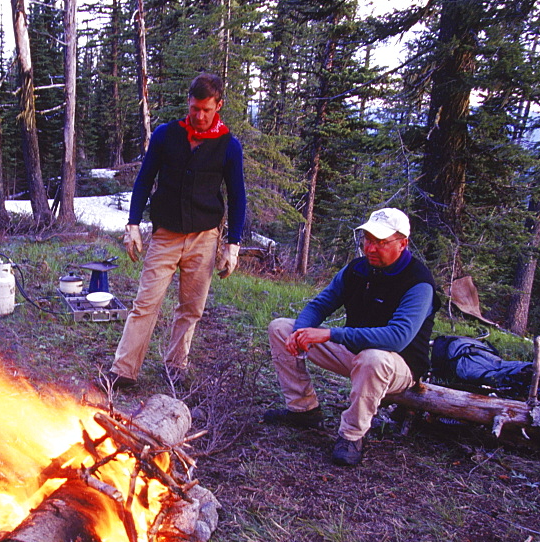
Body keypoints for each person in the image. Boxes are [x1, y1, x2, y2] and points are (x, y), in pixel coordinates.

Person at [262, 208, 441, 466]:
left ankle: (352, 435)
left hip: (399, 365)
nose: (370, 248)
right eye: (367, 240)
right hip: (355, 352)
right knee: (281, 328)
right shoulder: (358, 269)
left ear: (402, 244)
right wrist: (302, 331)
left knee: (374, 359)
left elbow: (397, 337)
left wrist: (330, 334)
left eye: (381, 243)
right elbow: (320, 304)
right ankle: (303, 410)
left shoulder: (419, 282)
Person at [101, 73, 246, 389]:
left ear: (218, 105)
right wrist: (133, 225)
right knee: (146, 303)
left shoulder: (228, 146)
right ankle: (124, 370)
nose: (199, 116)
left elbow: (237, 197)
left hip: (205, 238)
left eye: (206, 110)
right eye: (195, 108)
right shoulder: (167, 135)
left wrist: (232, 244)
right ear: (188, 103)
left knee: (190, 308)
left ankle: (175, 367)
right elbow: (144, 179)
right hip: (165, 235)